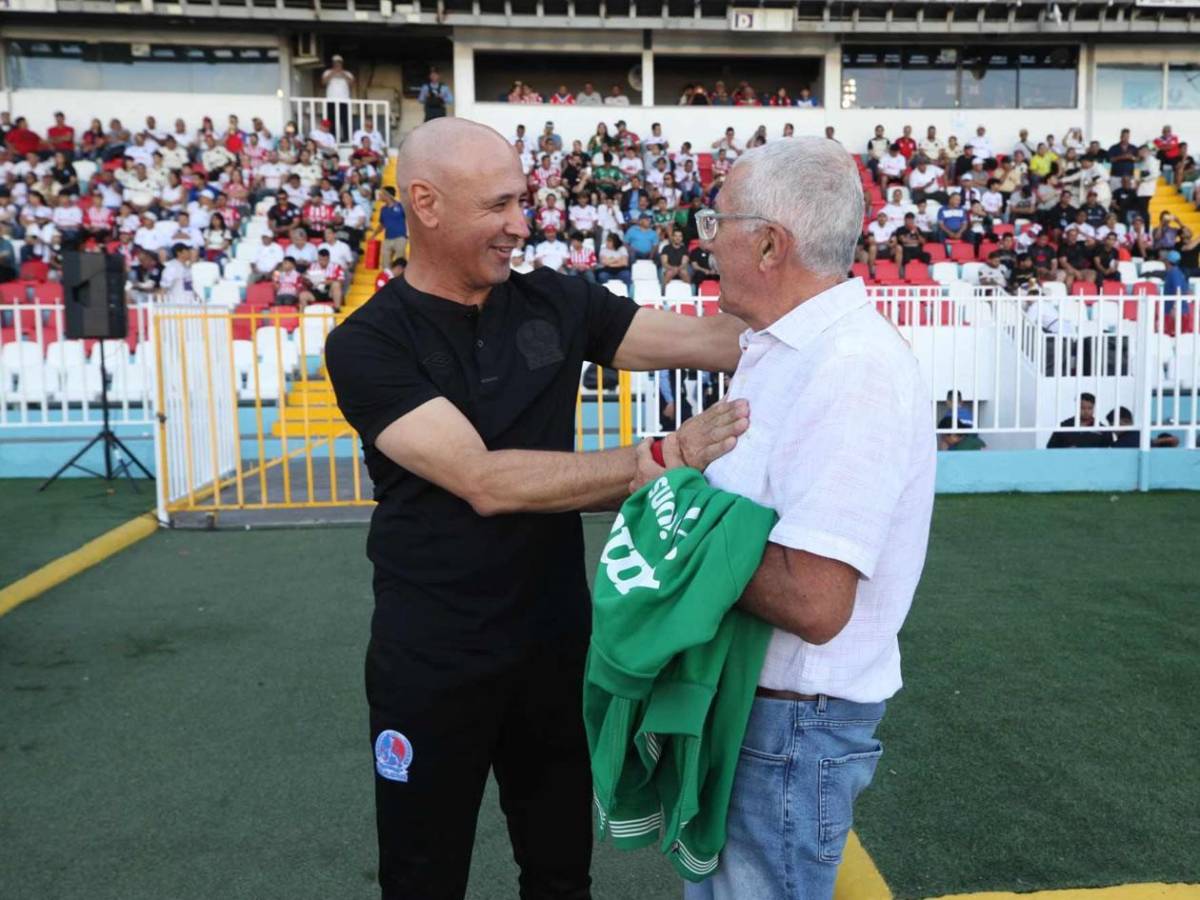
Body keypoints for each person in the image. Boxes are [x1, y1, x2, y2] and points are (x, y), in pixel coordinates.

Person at [323, 116, 751, 900]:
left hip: (555, 649)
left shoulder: (557, 302)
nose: (521, 225)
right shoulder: (367, 343)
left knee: (560, 873)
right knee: (422, 879)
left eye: (522, 201)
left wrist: (812, 305)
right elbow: (484, 480)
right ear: (425, 203)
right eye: (499, 206)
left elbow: (717, 343)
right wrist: (661, 458)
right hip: (431, 659)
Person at [629, 136, 935, 900]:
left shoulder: (850, 366)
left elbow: (814, 600)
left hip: (789, 726)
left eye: (715, 220)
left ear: (769, 243)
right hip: (760, 712)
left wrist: (674, 505)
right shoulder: (783, 348)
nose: (702, 240)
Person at [1047, 393, 1112, 448]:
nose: (1086, 411)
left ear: (1094, 408)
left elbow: (1108, 454)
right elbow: (1050, 449)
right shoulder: (1064, 426)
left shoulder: (1103, 430)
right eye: (1082, 408)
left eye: (1090, 408)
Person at [369, 186, 408, 267]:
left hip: (400, 238)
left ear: (387, 195)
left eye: (381, 194)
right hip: (387, 239)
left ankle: (401, 279)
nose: (379, 196)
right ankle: (387, 279)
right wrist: (374, 235)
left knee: (400, 262)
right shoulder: (383, 209)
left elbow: (410, 219)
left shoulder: (401, 206)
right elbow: (382, 224)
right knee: (385, 264)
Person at [322, 54, 356, 142]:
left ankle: (347, 138)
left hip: (344, 101)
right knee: (331, 120)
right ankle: (333, 138)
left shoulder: (347, 73)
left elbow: (352, 83)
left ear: (342, 64)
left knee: (345, 120)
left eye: (339, 63)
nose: (337, 65)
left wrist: (342, 73)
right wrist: (333, 73)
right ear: (332, 64)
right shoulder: (327, 72)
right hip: (331, 100)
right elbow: (323, 83)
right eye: (335, 63)